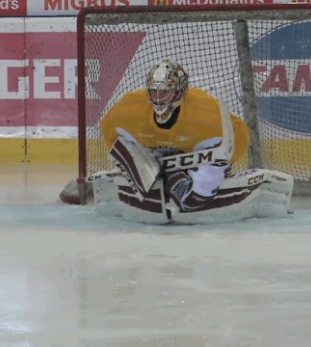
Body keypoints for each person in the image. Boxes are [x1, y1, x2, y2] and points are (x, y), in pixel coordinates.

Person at [92, 59, 293, 224]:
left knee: (197, 193)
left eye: (165, 92)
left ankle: (188, 184)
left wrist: (223, 165)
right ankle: (166, 175)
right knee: (136, 164)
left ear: (179, 91)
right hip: (153, 152)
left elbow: (239, 134)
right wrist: (126, 160)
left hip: (196, 154)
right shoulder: (130, 108)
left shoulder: (204, 113)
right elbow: (109, 128)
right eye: (154, 92)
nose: (159, 99)